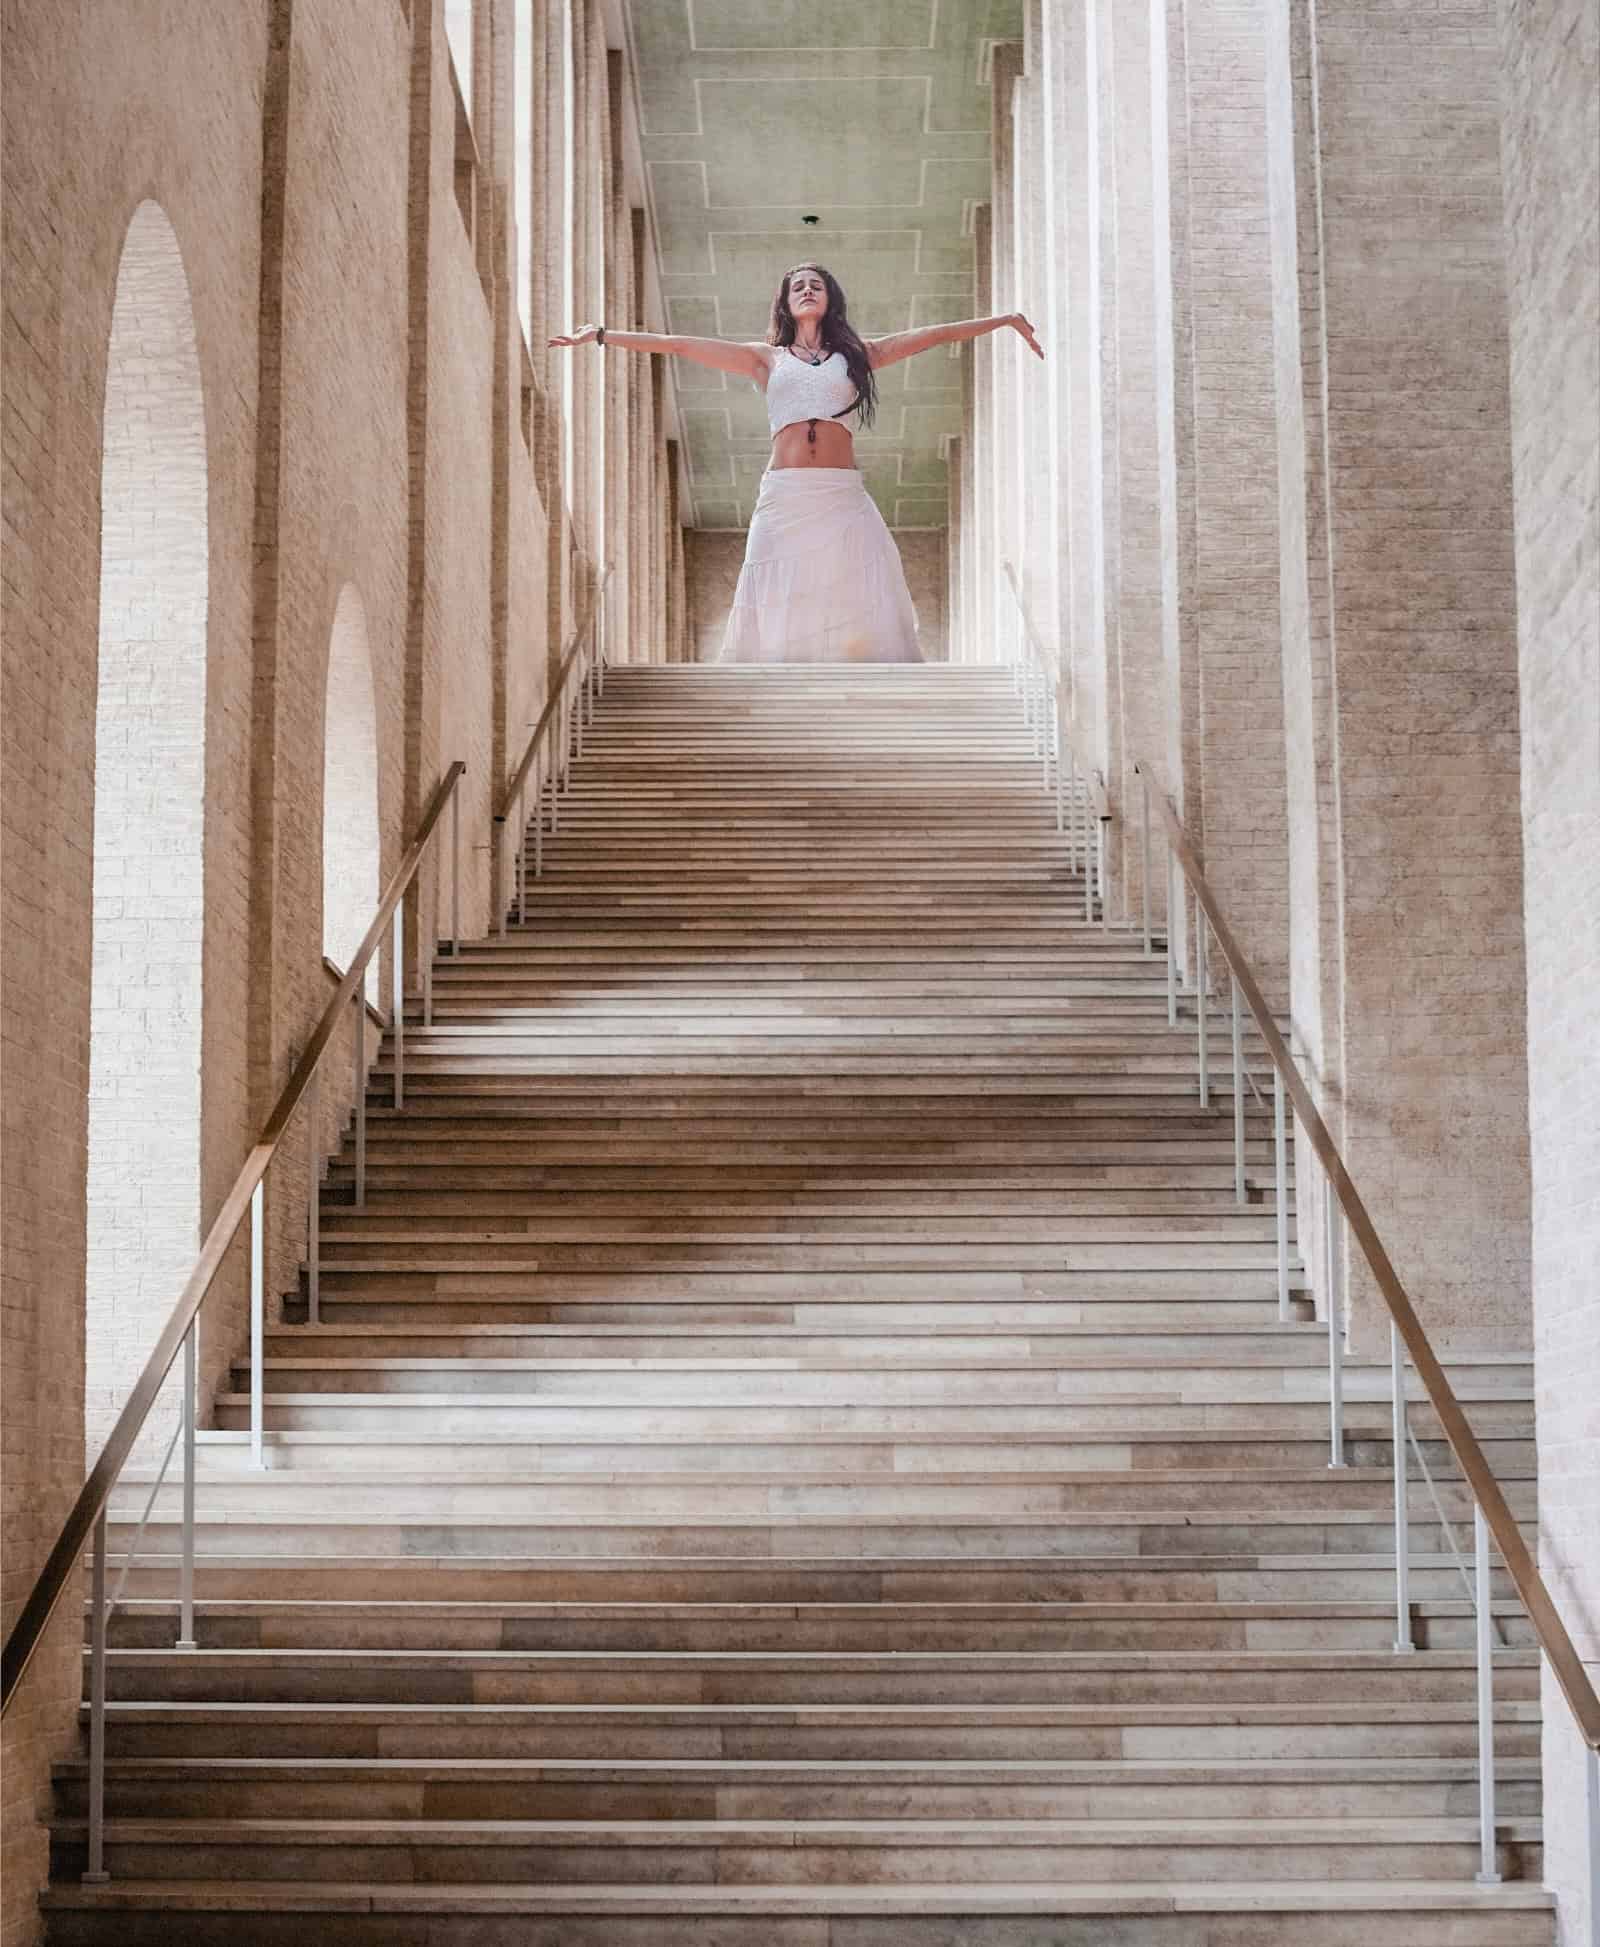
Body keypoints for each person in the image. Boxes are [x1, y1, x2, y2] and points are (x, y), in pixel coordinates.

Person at [550, 262, 1044, 663]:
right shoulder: (765, 358)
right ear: (786, 303)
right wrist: (601, 336)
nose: (807, 290)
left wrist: (1002, 321)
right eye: (797, 287)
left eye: (816, 285)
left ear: (830, 299)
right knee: (770, 576)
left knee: (860, 577)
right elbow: (678, 345)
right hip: (785, 494)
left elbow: (934, 335)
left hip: (840, 493)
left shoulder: (858, 355)